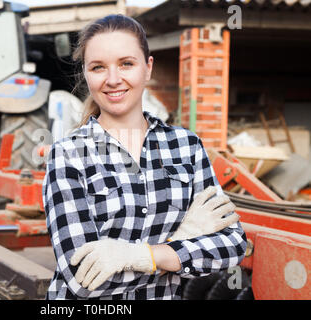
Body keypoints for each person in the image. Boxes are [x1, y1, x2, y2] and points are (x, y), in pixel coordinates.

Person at [42, 14, 247, 300]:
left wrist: (141, 255)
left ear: (147, 68)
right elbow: (83, 280)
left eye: (127, 63)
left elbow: (232, 246)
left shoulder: (186, 146)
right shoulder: (69, 155)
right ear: (86, 74)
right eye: (98, 67)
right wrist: (180, 242)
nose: (113, 80)